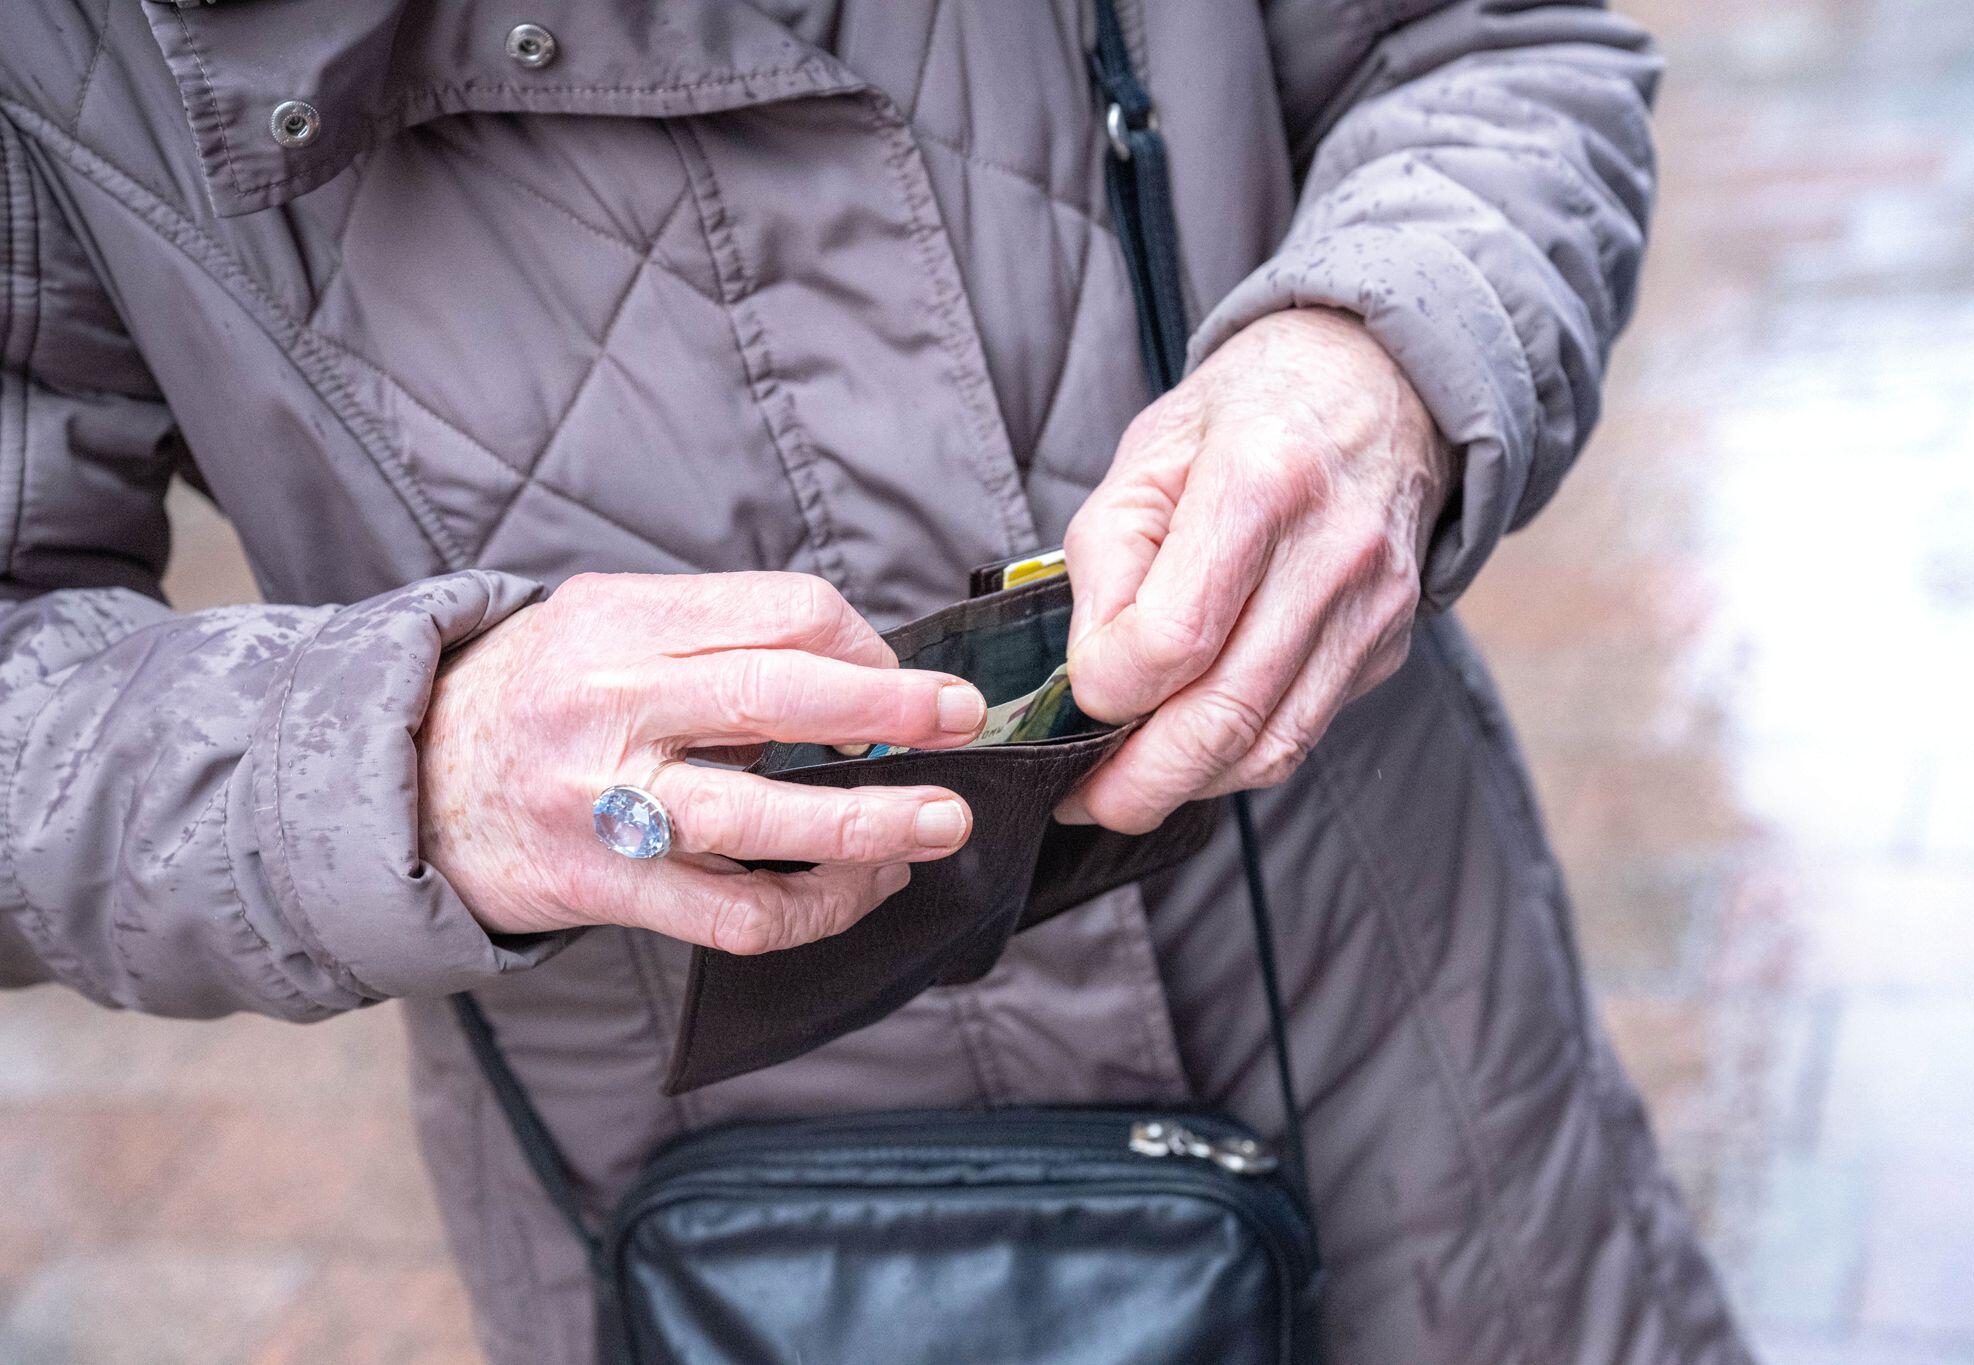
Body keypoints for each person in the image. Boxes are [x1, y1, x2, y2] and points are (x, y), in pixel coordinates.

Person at [0, 1, 1750, 1360]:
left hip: (1410, 1075)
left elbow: (1488, 48)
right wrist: (406, 761)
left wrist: (1378, 357)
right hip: (710, 1217)